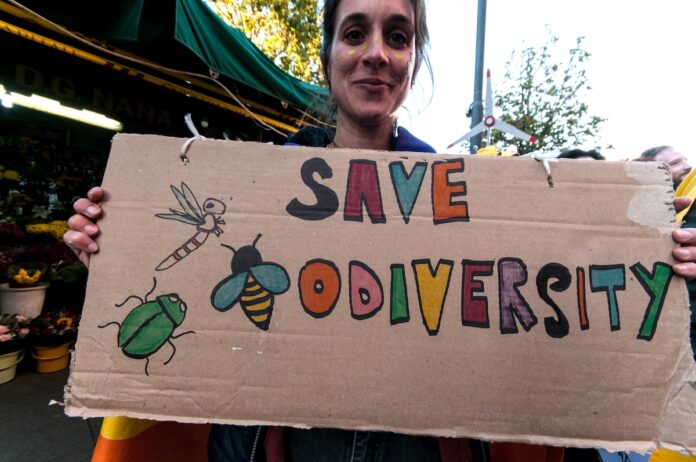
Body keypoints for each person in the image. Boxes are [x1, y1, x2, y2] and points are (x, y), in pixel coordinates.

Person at [64, 1, 696, 460]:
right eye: (355, 32)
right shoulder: (251, 187)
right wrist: (119, 251)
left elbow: (541, 303)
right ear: (328, 54)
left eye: (398, 35)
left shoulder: (474, 196)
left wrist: (656, 263)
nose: (375, 53)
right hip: (272, 446)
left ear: (413, 62)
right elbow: (195, 291)